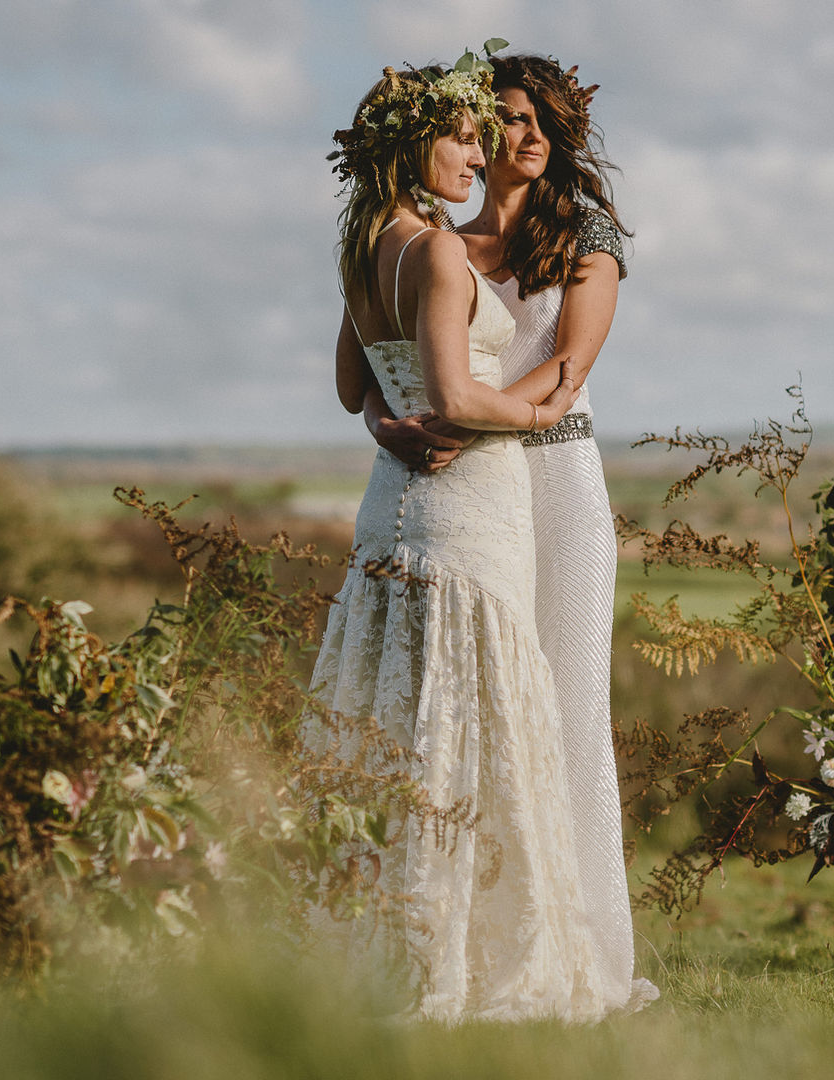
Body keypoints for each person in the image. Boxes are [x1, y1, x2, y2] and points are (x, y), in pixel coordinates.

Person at [310, 51, 615, 1023]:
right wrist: (540, 414)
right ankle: (469, 955)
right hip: (469, 500)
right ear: (415, 142)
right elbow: (455, 396)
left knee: (397, 710)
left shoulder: (362, 250)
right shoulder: (440, 250)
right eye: (463, 136)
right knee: (473, 710)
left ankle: (376, 939)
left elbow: (359, 392)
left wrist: (394, 425)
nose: (477, 156)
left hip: (387, 496)